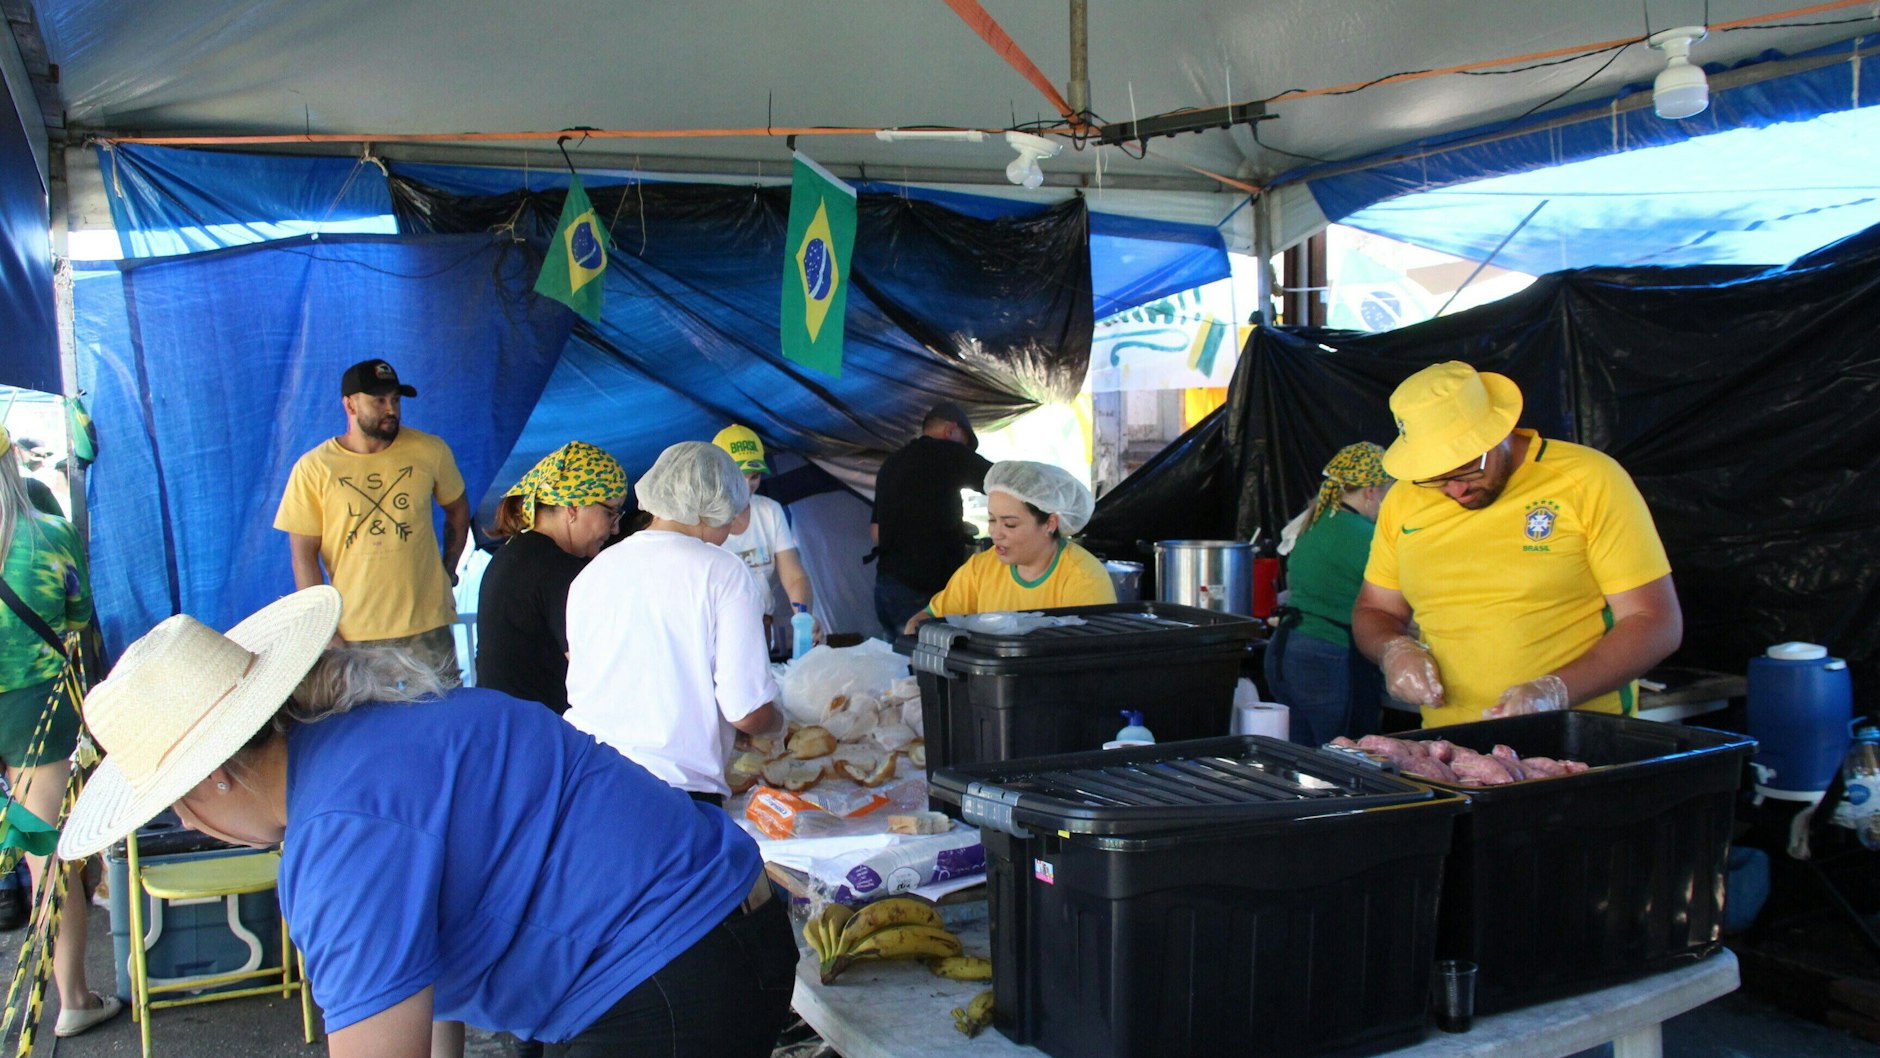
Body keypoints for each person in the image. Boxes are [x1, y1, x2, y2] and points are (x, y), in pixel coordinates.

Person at [57, 587, 797, 1058]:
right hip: (731, 926)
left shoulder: (338, 836)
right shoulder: (375, 733)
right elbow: (415, 991)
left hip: (662, 973)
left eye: (174, 803)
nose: (188, 821)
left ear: (210, 776)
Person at [1352, 361, 1682, 728]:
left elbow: (1654, 621)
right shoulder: (1403, 500)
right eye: (1437, 478)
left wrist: (1556, 690)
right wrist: (1392, 650)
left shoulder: (1589, 481)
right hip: (1452, 752)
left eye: (1468, 468)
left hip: (1577, 742)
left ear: (1500, 429)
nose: (1456, 489)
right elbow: (1375, 610)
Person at [563, 442, 783, 805]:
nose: (730, 529)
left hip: (588, 781)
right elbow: (746, 710)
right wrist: (778, 723)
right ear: (709, 508)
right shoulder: (722, 571)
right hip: (673, 792)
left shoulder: (593, 571)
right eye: (729, 516)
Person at [0, 427, 118, 1037]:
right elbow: (78, 622)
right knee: (50, 855)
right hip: (36, 708)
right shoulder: (49, 538)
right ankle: (73, 997)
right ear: (11, 461)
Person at [274, 359, 470, 678]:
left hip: (427, 625)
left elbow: (458, 510)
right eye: (378, 400)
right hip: (353, 632)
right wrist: (324, 630)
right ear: (349, 404)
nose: (390, 408)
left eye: (395, 399)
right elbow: (303, 555)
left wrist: (448, 570)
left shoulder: (430, 451)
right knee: (364, 725)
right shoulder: (314, 468)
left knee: (440, 719)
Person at [477, 441, 629, 717]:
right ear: (573, 507)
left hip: (500, 723)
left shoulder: (512, 552)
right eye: (610, 512)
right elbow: (594, 675)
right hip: (537, 731)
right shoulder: (559, 570)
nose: (615, 528)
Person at [1265, 442, 1394, 745]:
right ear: (1370, 491)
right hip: (1327, 658)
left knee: (1302, 757)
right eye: (1388, 491)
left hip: (1286, 651)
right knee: (1345, 756)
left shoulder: (1315, 522)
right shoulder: (1363, 535)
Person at [906, 460, 1115, 633]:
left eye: (1010, 524)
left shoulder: (1084, 579)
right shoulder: (981, 568)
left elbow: (1091, 659)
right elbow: (930, 617)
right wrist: (917, 627)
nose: (996, 533)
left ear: (1050, 524)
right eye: (991, 520)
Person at [869, 402, 993, 637]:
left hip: (887, 587)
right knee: (931, 669)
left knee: (898, 668)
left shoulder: (891, 463)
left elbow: (876, 532)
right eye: (965, 444)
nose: (966, 451)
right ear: (951, 430)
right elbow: (1004, 483)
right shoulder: (948, 452)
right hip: (922, 591)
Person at [711, 424, 818, 645]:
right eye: (740, 476)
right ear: (718, 473)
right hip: (718, 633)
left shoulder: (769, 511)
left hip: (761, 627)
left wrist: (803, 617)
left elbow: (794, 576)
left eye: (754, 477)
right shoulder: (703, 521)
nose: (748, 486)